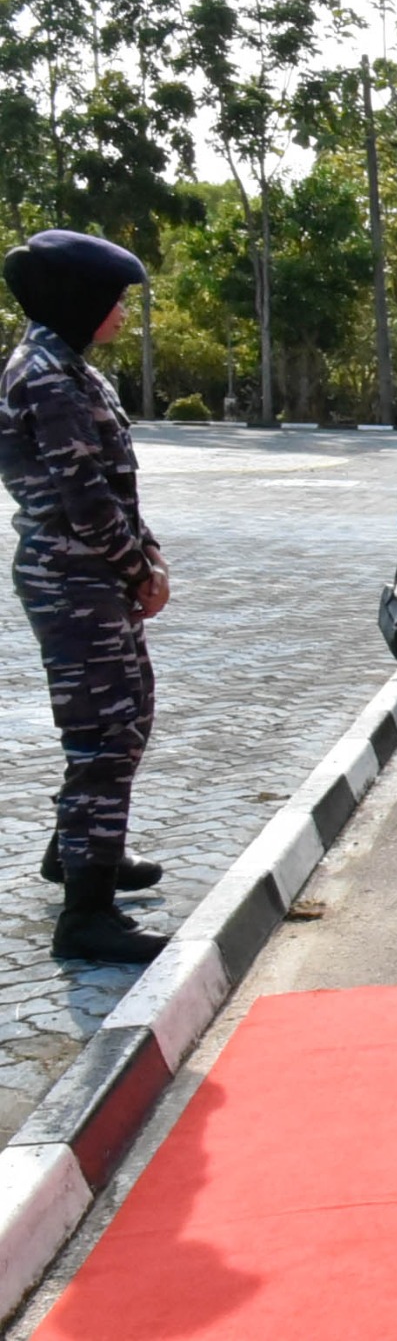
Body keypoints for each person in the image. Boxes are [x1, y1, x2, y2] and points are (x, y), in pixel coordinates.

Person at [0, 230, 173, 963]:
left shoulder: (69, 367)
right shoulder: (44, 374)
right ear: (83, 300)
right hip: (74, 574)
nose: (123, 312)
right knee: (105, 731)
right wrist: (137, 570)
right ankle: (87, 915)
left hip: (93, 569)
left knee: (125, 712)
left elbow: (115, 489)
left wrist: (148, 553)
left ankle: (78, 850)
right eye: (116, 299)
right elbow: (83, 495)